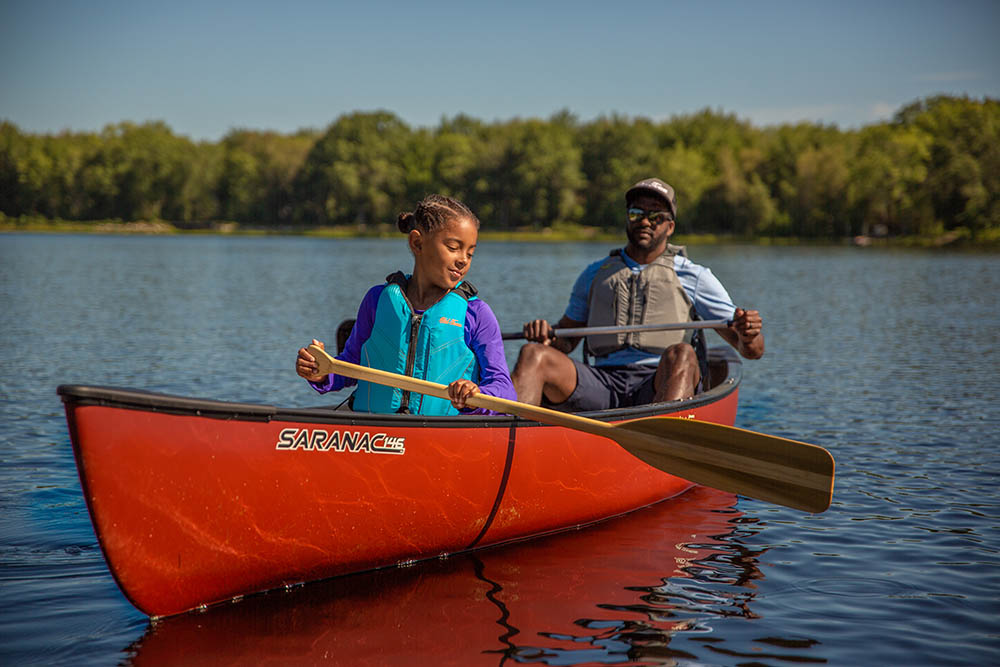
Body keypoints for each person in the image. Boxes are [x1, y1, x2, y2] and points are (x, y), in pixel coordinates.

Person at [511, 177, 764, 410]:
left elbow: (752, 350)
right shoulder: (595, 274)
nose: (644, 221)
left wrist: (748, 334)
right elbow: (566, 341)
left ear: (670, 226)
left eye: (655, 216)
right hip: (602, 383)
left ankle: (662, 438)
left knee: (683, 354)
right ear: (627, 219)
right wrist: (545, 336)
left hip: (658, 382)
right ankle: (508, 440)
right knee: (534, 355)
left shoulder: (694, 276)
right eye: (636, 213)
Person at [296, 194, 515, 415]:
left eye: (470, 253)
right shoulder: (377, 300)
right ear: (417, 243)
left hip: (445, 436)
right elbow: (351, 365)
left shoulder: (476, 313)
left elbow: (504, 389)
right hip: (375, 432)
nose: (463, 260)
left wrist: (476, 396)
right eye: (453, 247)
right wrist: (321, 371)